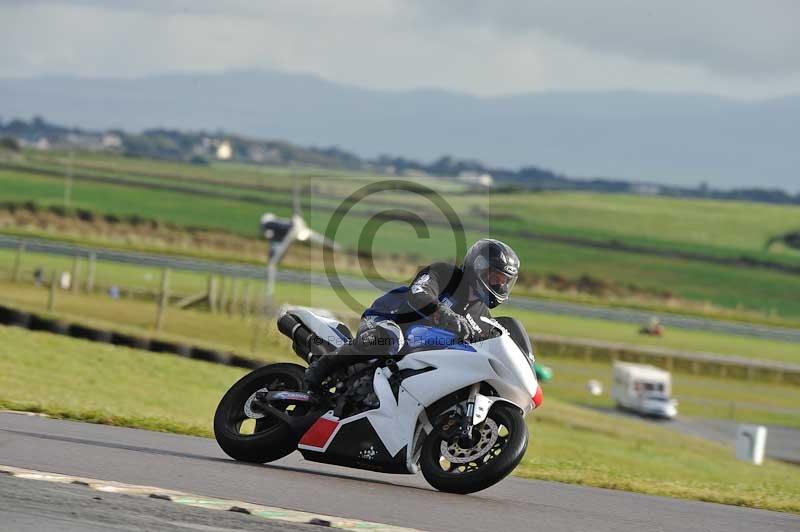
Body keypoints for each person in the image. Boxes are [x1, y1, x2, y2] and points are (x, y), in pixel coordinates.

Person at [304, 238, 520, 391]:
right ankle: (321, 367)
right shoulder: (445, 273)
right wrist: (441, 312)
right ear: (478, 266)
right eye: (495, 277)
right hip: (388, 319)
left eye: (504, 282)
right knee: (389, 338)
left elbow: (490, 345)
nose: (499, 285)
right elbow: (419, 292)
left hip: (422, 351)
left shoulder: (483, 317)